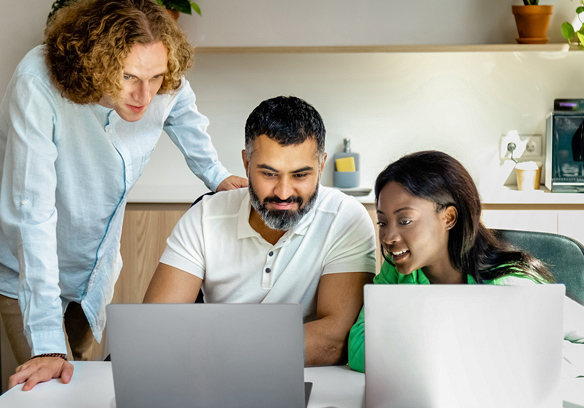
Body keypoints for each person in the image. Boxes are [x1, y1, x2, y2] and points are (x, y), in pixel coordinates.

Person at [0, 0, 247, 390]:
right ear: (94, 63)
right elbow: (33, 218)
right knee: (50, 387)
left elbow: (182, 111)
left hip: (91, 275)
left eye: (156, 78)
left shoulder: (159, 78)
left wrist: (215, 176)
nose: (145, 96)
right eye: (129, 77)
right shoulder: (38, 84)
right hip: (26, 272)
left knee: (83, 384)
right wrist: (46, 343)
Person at [143, 95, 377, 366]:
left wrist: (216, 348)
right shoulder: (206, 215)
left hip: (308, 376)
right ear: (246, 163)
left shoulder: (345, 218)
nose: (284, 192)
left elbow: (334, 342)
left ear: (322, 165)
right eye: (269, 174)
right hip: (216, 377)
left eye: (300, 175)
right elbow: (156, 328)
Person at [347, 150, 584, 375]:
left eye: (405, 221)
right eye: (382, 223)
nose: (389, 237)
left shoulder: (509, 285)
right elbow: (359, 351)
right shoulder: (398, 271)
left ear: (448, 217)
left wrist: (543, 363)